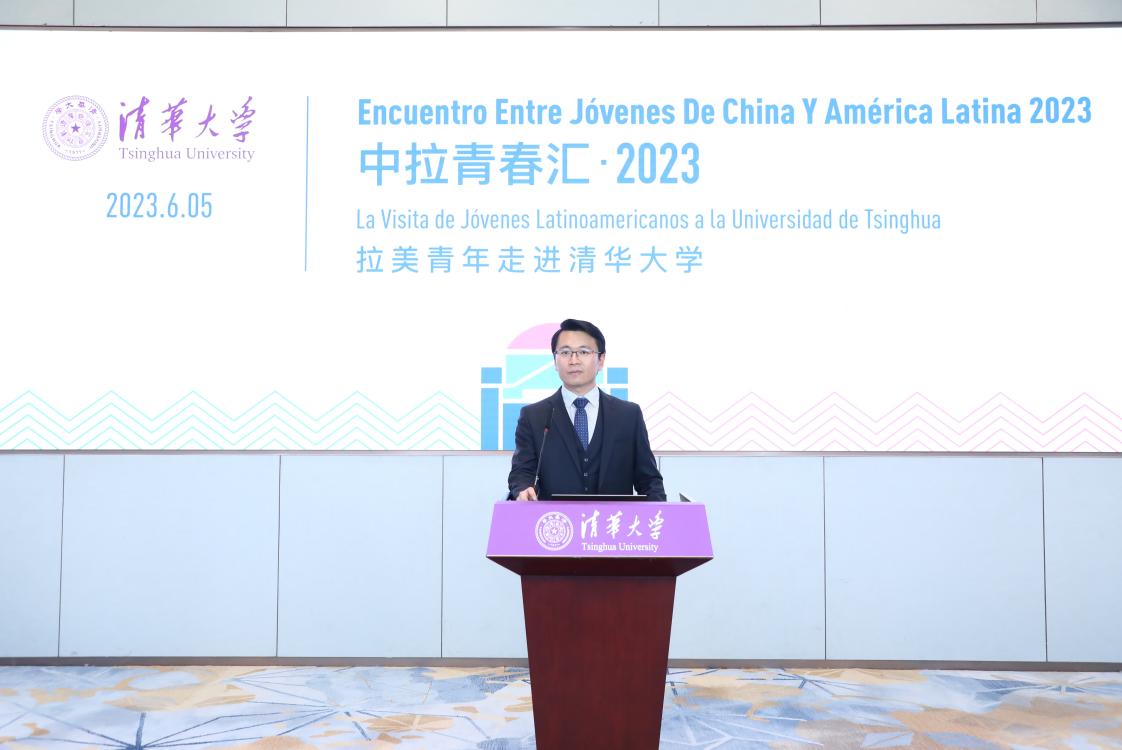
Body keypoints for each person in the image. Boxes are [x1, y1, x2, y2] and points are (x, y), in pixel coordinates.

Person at [507, 319, 666, 501]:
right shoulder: (534, 416)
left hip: (614, 518)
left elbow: (649, 480)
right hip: (557, 518)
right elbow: (522, 472)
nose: (574, 360)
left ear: (601, 360)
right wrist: (523, 488)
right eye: (565, 352)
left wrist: (661, 512)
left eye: (583, 352)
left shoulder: (628, 415)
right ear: (555, 361)